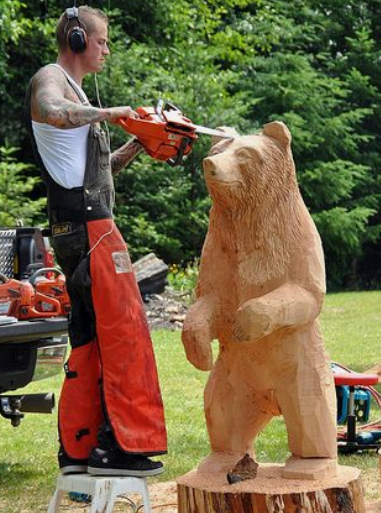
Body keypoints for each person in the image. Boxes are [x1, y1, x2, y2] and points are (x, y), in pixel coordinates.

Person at [25, 5, 167, 476]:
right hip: (91, 230)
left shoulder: (79, 94)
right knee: (124, 334)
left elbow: (97, 173)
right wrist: (110, 112)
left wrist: (139, 145)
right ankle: (120, 447)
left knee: (89, 341)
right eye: (102, 41)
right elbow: (50, 110)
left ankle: (79, 448)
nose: (106, 49)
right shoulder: (51, 79)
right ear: (79, 39)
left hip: (81, 224)